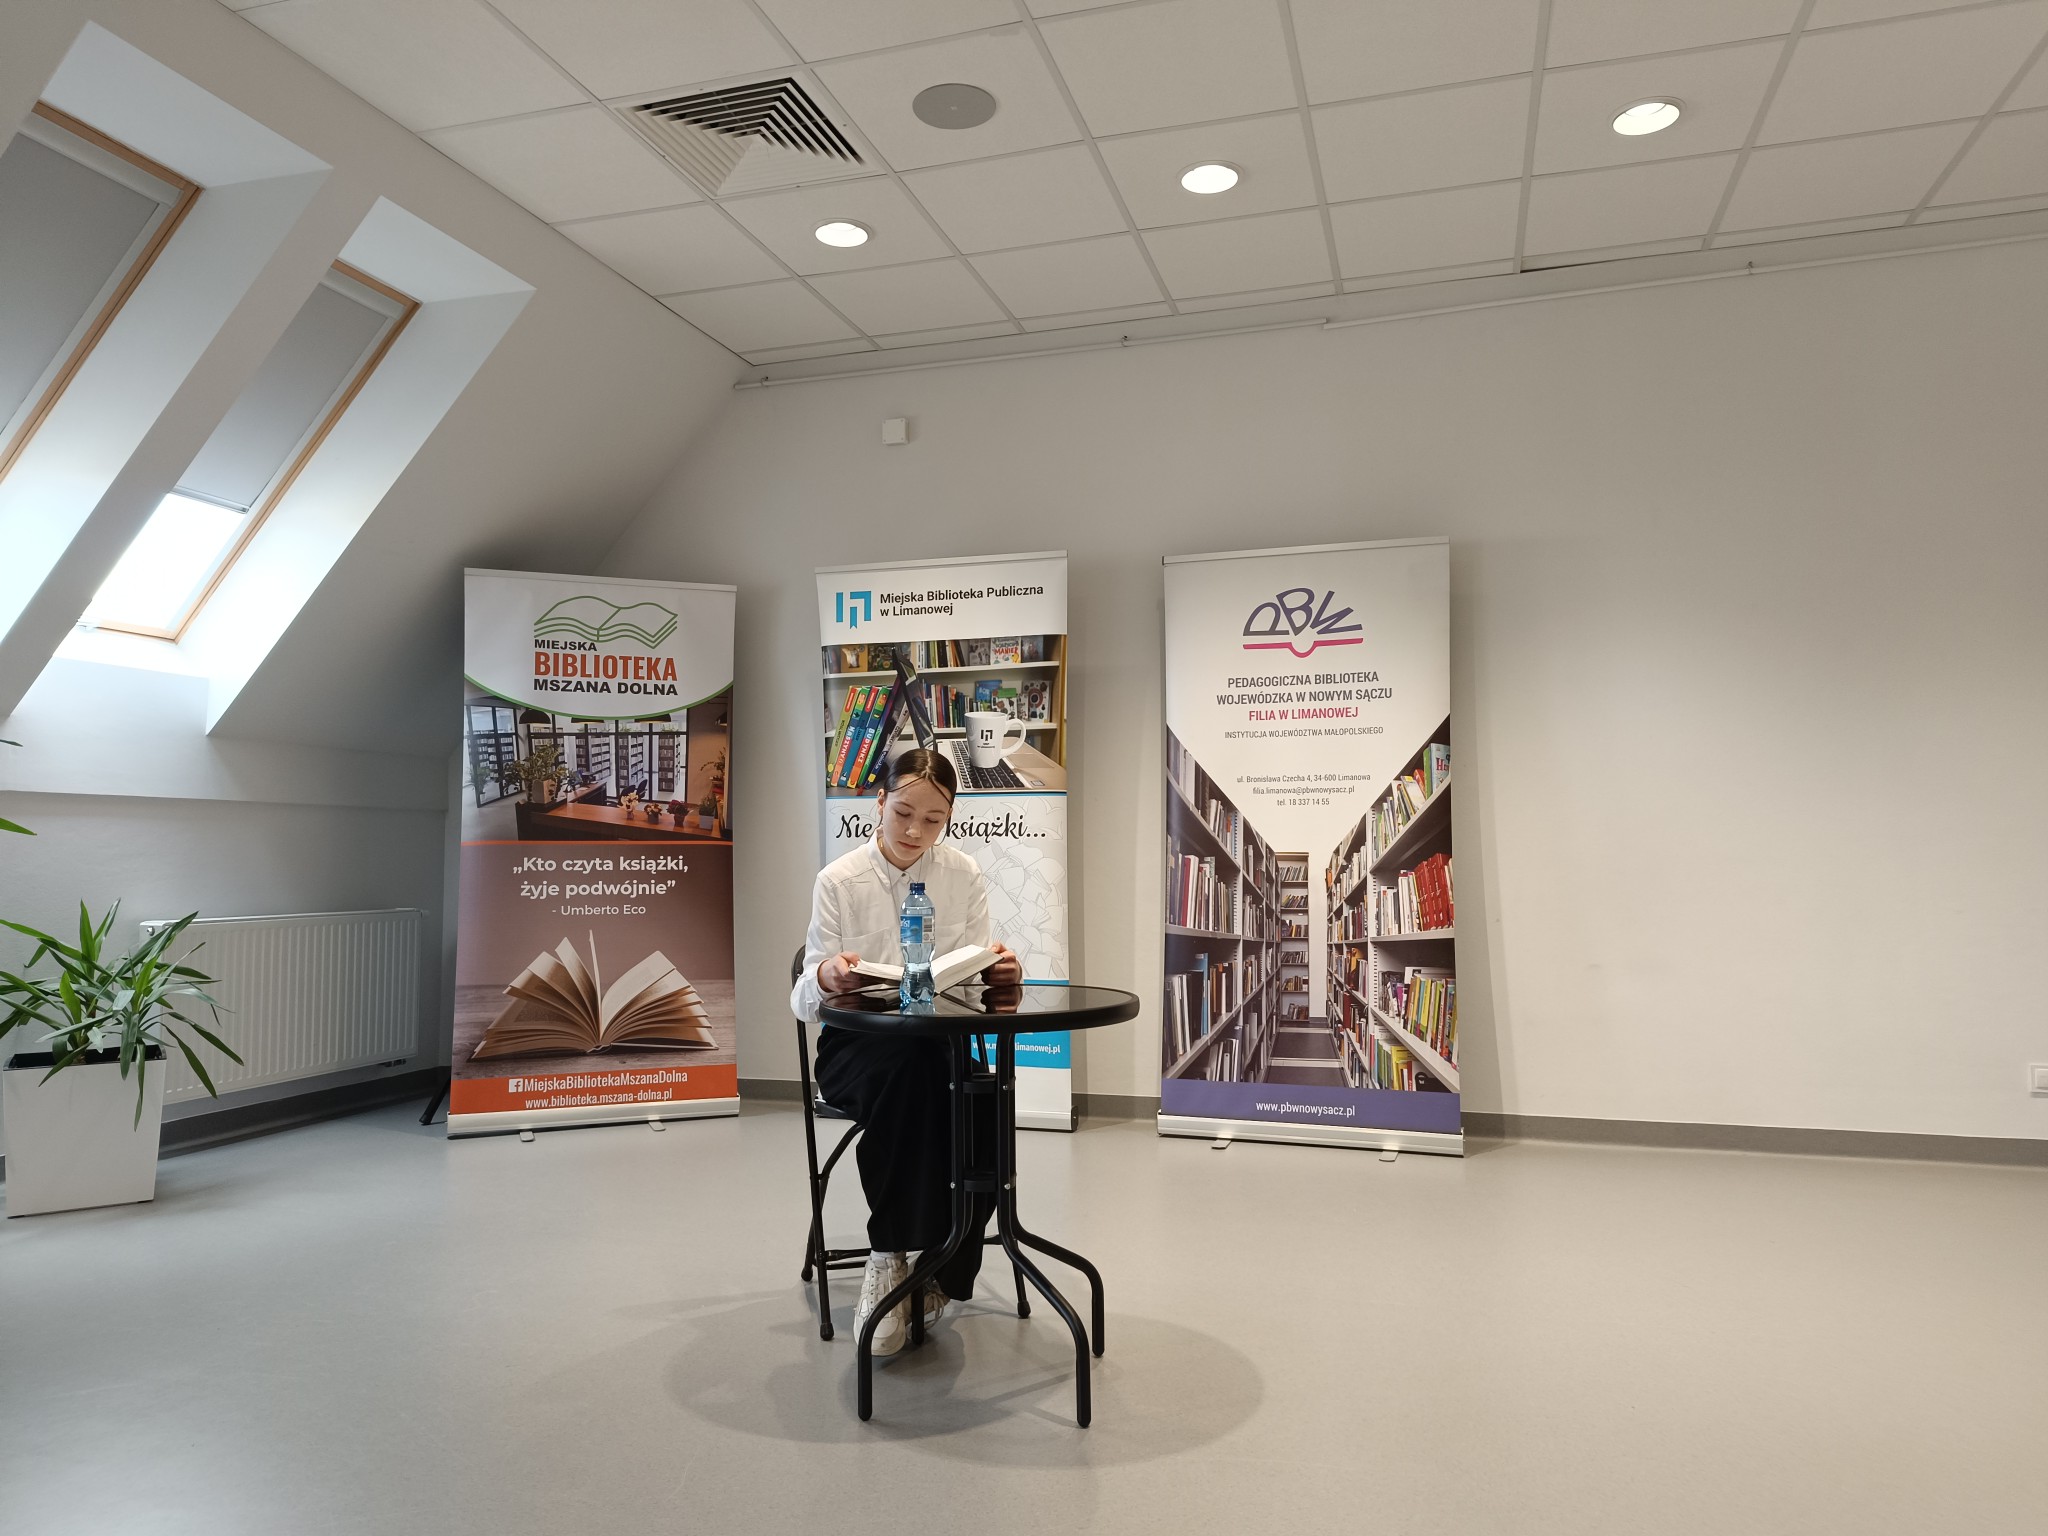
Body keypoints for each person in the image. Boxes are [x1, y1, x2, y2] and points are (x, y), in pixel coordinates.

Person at [789, 746, 1022, 1356]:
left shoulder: (963, 875)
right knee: (918, 1078)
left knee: (985, 1104)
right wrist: (826, 977)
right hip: (857, 1048)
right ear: (879, 801)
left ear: (949, 818)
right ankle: (891, 1254)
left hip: (938, 1042)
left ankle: (939, 1272)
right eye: (903, 813)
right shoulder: (838, 880)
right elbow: (803, 998)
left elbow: (972, 978)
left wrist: (998, 972)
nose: (916, 831)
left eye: (933, 820)